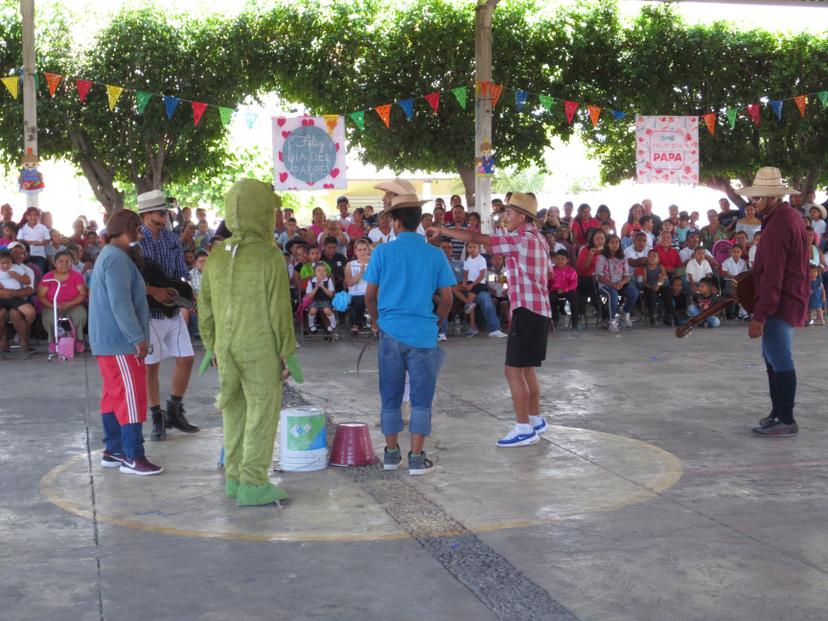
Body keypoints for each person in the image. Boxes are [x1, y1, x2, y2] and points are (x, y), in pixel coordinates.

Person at [199, 179, 297, 505]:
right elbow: (279, 310)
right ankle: (253, 482)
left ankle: (234, 476)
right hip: (259, 347)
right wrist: (287, 351)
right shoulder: (268, 256)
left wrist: (211, 344)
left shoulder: (216, 255)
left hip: (226, 348)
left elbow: (206, 305)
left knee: (234, 409)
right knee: (262, 410)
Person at [431, 193, 552, 448]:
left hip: (527, 310)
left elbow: (477, 239)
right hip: (539, 309)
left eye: (509, 213)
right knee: (527, 367)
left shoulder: (520, 238)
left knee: (513, 370)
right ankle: (535, 419)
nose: (505, 216)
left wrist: (443, 229)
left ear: (522, 216)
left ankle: (523, 429)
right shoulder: (538, 238)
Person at [365, 191, 454, 475]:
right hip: (424, 336)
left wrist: (377, 321)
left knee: (390, 396)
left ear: (396, 223)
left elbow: (369, 295)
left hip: (390, 333)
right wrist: (435, 324)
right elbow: (448, 298)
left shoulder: (382, 252)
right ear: (417, 222)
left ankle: (392, 455)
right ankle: (416, 457)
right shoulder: (435, 253)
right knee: (421, 398)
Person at [88, 208, 162, 475]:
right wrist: (137, 338)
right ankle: (133, 456)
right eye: (138, 229)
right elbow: (121, 304)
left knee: (113, 396)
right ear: (128, 229)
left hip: (108, 341)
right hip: (120, 342)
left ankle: (114, 450)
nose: (141, 234)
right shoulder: (117, 259)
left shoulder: (109, 255)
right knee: (131, 396)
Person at [740, 167, 810, 437]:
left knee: (779, 358)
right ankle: (777, 412)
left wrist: (761, 314)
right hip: (786, 297)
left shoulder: (779, 224)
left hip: (780, 301)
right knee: (771, 356)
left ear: (771, 198)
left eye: (758, 198)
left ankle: (786, 418)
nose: (754, 202)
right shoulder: (786, 216)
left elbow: (773, 274)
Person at [137, 190, 198, 440]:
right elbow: (131, 280)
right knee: (151, 367)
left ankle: (175, 408)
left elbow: (179, 274)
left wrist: (187, 299)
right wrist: (155, 291)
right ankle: (157, 417)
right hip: (147, 312)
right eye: (161, 213)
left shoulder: (172, 239)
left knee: (187, 357)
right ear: (147, 215)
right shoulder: (134, 242)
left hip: (171, 310)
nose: (166, 216)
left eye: (165, 212)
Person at [37, 250, 88, 354]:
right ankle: (52, 341)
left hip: (73, 305)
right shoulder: (48, 277)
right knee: (49, 317)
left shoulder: (76, 276)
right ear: (54, 263)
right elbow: (41, 296)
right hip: (52, 306)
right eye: (61, 261)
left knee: (80, 314)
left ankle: (79, 339)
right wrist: (54, 306)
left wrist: (69, 304)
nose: (64, 263)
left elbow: (82, 294)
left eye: (68, 261)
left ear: (71, 263)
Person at [595, 234, 639, 334]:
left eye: (617, 242)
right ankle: (612, 321)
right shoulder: (601, 257)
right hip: (605, 285)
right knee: (613, 294)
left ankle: (625, 312)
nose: (615, 244)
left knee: (634, 292)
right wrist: (612, 285)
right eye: (612, 242)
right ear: (607, 244)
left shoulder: (623, 258)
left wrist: (622, 282)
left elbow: (627, 275)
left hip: (620, 283)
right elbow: (600, 277)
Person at [453, 241, 488, 337]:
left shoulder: (481, 259)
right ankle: (470, 304)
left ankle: (473, 328)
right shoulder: (468, 259)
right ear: (467, 249)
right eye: (469, 247)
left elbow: (482, 275)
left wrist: (471, 286)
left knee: (469, 301)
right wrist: (464, 282)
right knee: (455, 288)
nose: (472, 249)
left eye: (474, 247)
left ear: (478, 248)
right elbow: (465, 273)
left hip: (479, 284)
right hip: (469, 282)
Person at [345, 238, 371, 335]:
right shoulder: (350, 265)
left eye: (364, 249)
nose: (362, 252)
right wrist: (361, 273)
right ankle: (356, 323)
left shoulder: (374, 263)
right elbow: (349, 283)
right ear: (355, 251)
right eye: (359, 250)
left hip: (371, 293)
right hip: (356, 294)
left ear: (368, 250)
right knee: (361, 299)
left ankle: (375, 324)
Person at [549, 249, 578, 330]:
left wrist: (565, 289)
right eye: (558, 259)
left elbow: (574, 284)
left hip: (568, 290)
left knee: (574, 298)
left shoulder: (571, 271)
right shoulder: (552, 270)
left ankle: (575, 321)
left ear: (567, 260)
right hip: (555, 290)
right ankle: (554, 317)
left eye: (562, 259)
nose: (560, 261)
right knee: (551, 298)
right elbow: (549, 282)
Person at [642, 249, 672, 326]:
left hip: (659, 285)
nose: (652, 258)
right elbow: (645, 282)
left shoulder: (661, 267)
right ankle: (652, 315)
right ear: (647, 258)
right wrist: (652, 287)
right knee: (652, 296)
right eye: (650, 256)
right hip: (649, 287)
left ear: (658, 259)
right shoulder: (645, 268)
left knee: (667, 293)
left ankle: (668, 315)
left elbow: (664, 277)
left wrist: (658, 285)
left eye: (654, 256)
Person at [306, 263, 337, 334]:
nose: (321, 273)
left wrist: (323, 287)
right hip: (315, 300)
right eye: (319, 271)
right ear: (315, 273)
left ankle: (333, 323)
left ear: (326, 272)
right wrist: (316, 287)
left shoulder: (328, 280)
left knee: (326, 310)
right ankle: (311, 324)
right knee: (313, 310)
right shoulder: (311, 281)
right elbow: (309, 296)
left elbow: (330, 294)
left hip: (326, 300)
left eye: (324, 271)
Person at [17, 207, 50, 273]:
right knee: (26, 273)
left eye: (35, 215)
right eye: (30, 215)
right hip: (26, 255)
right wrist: (31, 242)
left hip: (40, 255)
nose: (33, 217)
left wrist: (39, 243)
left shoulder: (43, 227)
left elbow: (48, 240)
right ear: (26, 216)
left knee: (39, 273)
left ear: (38, 217)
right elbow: (19, 240)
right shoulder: (23, 227)